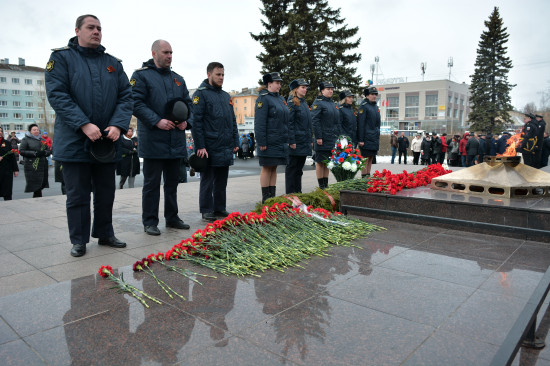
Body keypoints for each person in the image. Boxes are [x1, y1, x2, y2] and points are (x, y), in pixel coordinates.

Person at [45, 14, 132, 257]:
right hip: (75, 140)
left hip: (107, 141)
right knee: (77, 195)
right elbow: (58, 95)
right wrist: (83, 124)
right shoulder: (61, 58)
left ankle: (105, 233)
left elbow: (126, 96)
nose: (96, 32)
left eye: (99, 28)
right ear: (77, 31)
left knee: (106, 192)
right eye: (91, 28)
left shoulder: (113, 63)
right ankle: (79, 240)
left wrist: (117, 125)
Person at [132, 39, 193, 236]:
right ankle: (150, 221)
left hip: (175, 139)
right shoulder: (141, 76)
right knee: (151, 184)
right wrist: (157, 121)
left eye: (171, 52)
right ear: (154, 53)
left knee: (172, 183)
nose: (169, 56)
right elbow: (136, 103)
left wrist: (186, 121)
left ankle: (172, 217)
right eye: (165, 52)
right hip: (153, 140)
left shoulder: (178, 79)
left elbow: (189, 105)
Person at [191, 62, 239, 221]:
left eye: (223, 75)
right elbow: (196, 122)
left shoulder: (226, 96)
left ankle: (219, 208)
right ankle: (206, 209)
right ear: (209, 74)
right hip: (209, 146)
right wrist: (200, 146)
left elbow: (232, 120)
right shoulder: (200, 94)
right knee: (208, 180)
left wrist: (235, 140)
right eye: (218, 74)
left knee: (221, 181)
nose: (221, 78)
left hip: (225, 145)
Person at [254, 72, 289, 202]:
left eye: (280, 83)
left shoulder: (281, 99)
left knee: (274, 167)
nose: (279, 85)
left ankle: (272, 196)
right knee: (267, 167)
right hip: (268, 141)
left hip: (279, 140)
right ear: (269, 84)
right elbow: (260, 122)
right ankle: (265, 197)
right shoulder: (263, 98)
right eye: (277, 83)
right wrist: (261, 141)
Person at [312, 81, 342, 188]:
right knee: (320, 162)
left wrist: (339, 137)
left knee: (328, 162)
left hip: (331, 138)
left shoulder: (332, 103)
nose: (331, 91)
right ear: (322, 90)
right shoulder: (318, 103)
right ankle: (321, 185)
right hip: (322, 138)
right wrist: (318, 137)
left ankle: (326, 184)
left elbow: (337, 122)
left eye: (332, 89)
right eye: (328, 89)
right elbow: (315, 121)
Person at [286, 78, 312, 194]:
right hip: (295, 141)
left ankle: (298, 192)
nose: (305, 89)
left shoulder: (304, 103)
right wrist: (291, 140)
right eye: (303, 87)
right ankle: (291, 193)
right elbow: (289, 123)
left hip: (303, 141)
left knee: (299, 170)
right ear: (296, 89)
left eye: (306, 87)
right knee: (292, 169)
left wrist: (310, 139)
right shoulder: (292, 103)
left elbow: (308, 124)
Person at [19, 124, 51, 198]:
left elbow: (48, 151)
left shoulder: (43, 140)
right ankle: (37, 199)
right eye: (34, 130)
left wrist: (45, 152)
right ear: (30, 131)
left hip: (42, 165)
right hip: (32, 165)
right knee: (36, 184)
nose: (36, 131)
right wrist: (34, 153)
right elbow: (22, 151)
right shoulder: (26, 139)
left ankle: (37, 198)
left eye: (37, 129)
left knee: (42, 183)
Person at [357, 86, 380, 177]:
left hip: (374, 137)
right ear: (367, 95)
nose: (374, 96)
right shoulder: (364, 106)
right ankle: (364, 177)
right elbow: (361, 124)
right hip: (366, 137)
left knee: (371, 158)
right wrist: (361, 139)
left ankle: (368, 176)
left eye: (375, 94)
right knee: (365, 159)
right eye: (372, 94)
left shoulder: (375, 106)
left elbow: (378, 123)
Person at [0, 126, 19, 200]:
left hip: (6, 170)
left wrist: (15, 169)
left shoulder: (7, 143)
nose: (0, 132)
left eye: (1, 131)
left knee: (7, 190)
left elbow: (12, 157)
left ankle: (9, 204)